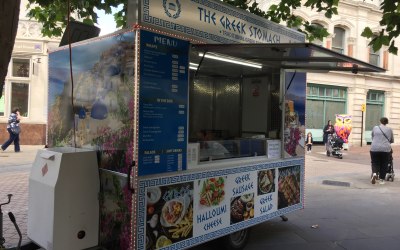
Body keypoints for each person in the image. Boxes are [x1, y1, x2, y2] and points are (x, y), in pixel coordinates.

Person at [370, 117, 394, 185]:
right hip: (385, 149)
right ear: (387, 122)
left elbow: (372, 136)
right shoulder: (389, 129)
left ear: (380, 121)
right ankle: (381, 179)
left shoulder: (375, 128)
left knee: (374, 162)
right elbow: (392, 140)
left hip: (374, 148)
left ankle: (374, 173)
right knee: (384, 163)